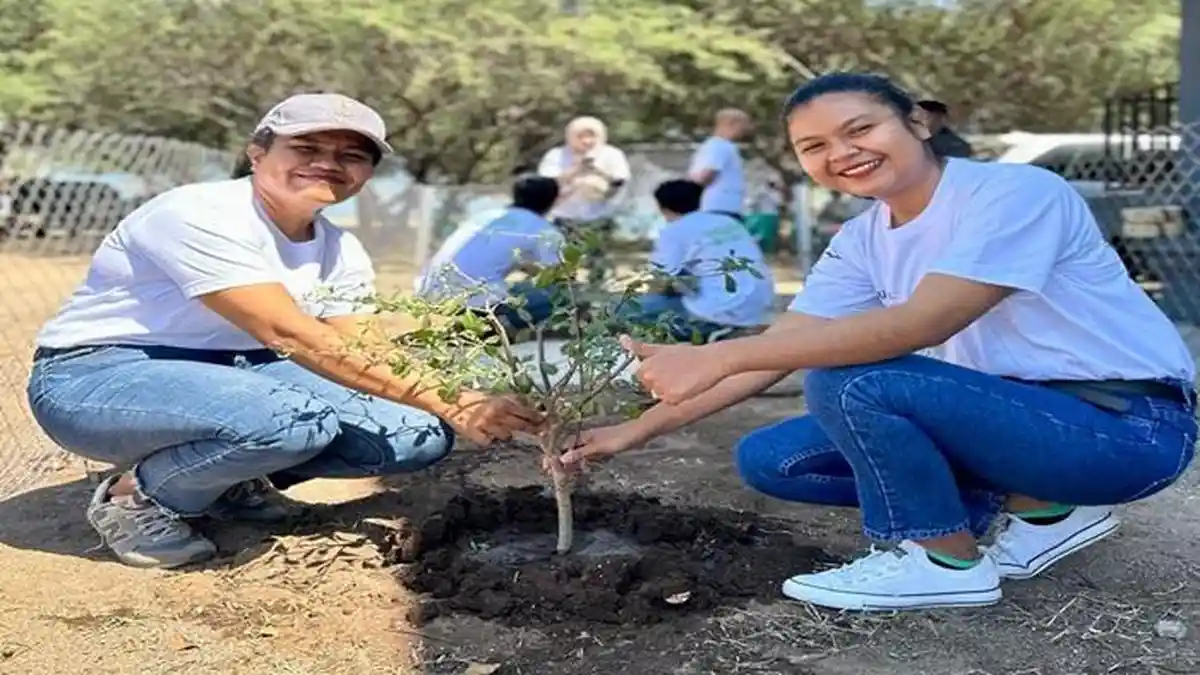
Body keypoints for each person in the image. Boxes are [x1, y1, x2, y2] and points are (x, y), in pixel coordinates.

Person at [558, 73, 1197, 612]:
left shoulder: (1013, 193)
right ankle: (1046, 510)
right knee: (773, 459)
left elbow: (922, 326)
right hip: (1019, 420)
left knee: (852, 377)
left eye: (859, 129)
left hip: (1126, 426)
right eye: (814, 146)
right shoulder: (864, 239)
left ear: (917, 123)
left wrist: (721, 351)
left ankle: (941, 563)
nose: (841, 153)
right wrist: (630, 434)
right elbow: (784, 345)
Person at [26, 93, 541, 570]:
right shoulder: (197, 213)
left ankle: (225, 480)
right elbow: (287, 333)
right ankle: (135, 496)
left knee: (416, 432)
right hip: (100, 374)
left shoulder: (339, 247)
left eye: (352, 156)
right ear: (257, 152)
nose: (329, 163)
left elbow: (363, 344)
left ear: (366, 174)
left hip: (239, 374)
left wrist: (455, 398)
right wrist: (451, 400)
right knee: (292, 422)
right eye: (307, 147)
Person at [617, 179, 774, 342]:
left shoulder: (674, 231)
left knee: (624, 309)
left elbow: (659, 280)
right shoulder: (728, 221)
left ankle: (711, 332)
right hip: (757, 307)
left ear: (662, 207)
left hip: (715, 312)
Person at [414, 175, 565, 332]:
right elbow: (562, 276)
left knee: (515, 286)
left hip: (429, 290)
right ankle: (495, 324)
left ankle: (472, 321)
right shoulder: (543, 229)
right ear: (552, 200)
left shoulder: (485, 215)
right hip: (475, 301)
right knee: (561, 295)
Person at [537, 116, 631, 283]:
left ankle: (598, 294)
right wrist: (576, 169)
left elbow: (619, 181)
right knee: (563, 262)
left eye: (591, 135)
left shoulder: (612, 154)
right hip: (565, 217)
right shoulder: (556, 155)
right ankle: (565, 296)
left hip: (600, 217)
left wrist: (597, 171)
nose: (587, 141)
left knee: (599, 263)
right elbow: (546, 183)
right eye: (581, 136)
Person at [687, 108, 752, 221]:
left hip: (715, 207)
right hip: (722, 208)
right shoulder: (721, 146)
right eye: (743, 127)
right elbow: (707, 173)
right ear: (732, 124)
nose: (744, 131)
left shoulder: (710, 146)